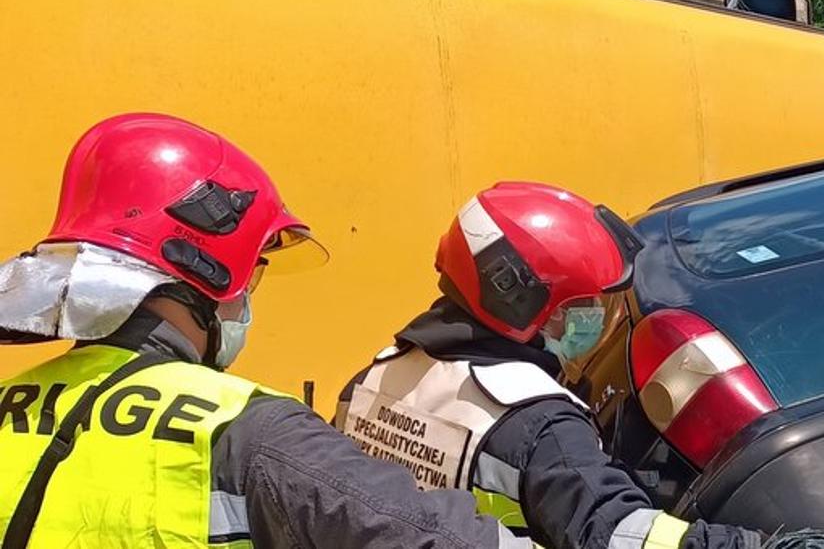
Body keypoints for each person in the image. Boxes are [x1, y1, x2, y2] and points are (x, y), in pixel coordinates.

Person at [0, 112, 524, 547]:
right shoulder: (248, 429)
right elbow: (430, 536)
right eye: (253, 274)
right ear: (206, 272)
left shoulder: (10, 403)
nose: (248, 298)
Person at [335, 181, 765, 549]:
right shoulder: (540, 426)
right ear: (522, 302)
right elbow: (619, 535)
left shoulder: (369, 381)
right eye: (584, 306)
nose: (600, 318)